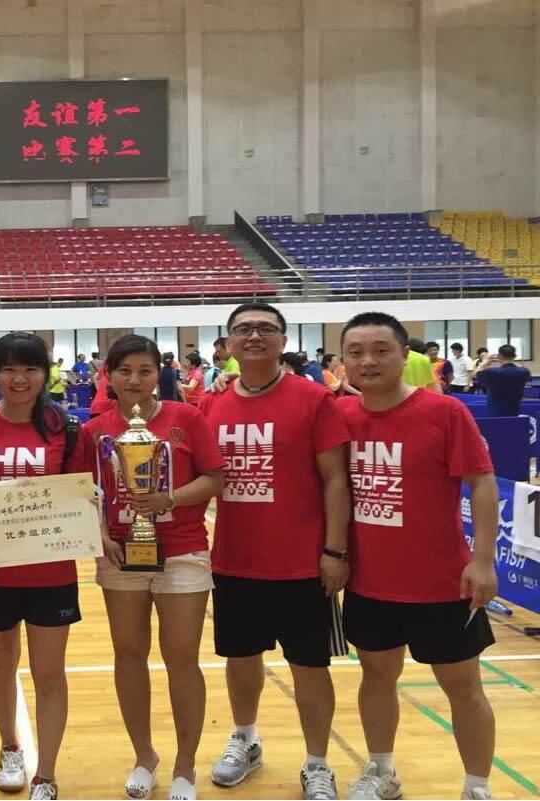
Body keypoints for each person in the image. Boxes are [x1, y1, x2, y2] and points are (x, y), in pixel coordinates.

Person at [337, 312, 498, 801]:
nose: (368, 361)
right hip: (368, 583)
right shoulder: (338, 415)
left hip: (442, 583)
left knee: (462, 687)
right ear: (343, 361)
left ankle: (477, 786)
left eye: (381, 350)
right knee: (377, 677)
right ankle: (382, 772)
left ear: (403, 355)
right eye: (356, 352)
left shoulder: (445, 412)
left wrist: (483, 560)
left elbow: (482, 483)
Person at [200, 302, 351, 801]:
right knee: (240, 659)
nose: (254, 336)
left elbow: (336, 479)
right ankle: (245, 738)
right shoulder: (212, 402)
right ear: (228, 343)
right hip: (234, 560)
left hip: (302, 563)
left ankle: (317, 762)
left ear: (283, 341)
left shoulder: (314, 398)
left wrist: (335, 551)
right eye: (243, 329)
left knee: (310, 666)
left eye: (266, 328)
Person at [73, 334, 224, 801]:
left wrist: (169, 499)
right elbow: (82, 492)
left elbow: (214, 478)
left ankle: (185, 765)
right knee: (128, 655)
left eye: (144, 370)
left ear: (159, 373)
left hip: (182, 552)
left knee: (182, 658)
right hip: (121, 555)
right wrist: (100, 536)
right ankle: (144, 757)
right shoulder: (94, 430)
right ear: (109, 376)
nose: (134, 379)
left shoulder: (187, 418)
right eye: (124, 371)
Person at [0, 332, 80, 800]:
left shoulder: (68, 428)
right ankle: (10, 746)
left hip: (51, 573)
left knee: (49, 673)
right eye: (8, 368)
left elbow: (81, 492)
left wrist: (87, 503)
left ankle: (46, 772)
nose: (19, 378)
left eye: (30, 368)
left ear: (45, 374)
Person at [474, 344, 532, 417]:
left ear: (499, 356)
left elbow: (474, 374)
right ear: (514, 356)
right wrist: (512, 360)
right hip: (515, 412)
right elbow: (521, 370)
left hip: (495, 413)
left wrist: (485, 361)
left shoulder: (493, 372)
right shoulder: (524, 371)